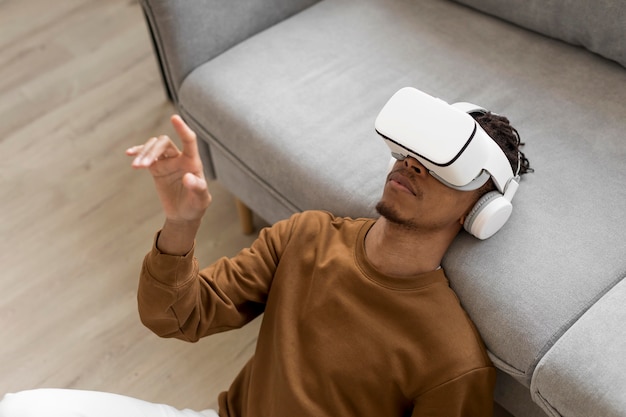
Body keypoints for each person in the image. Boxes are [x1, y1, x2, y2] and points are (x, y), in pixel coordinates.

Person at [0, 99, 532, 416]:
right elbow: (177, 315)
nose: (416, 165)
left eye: (446, 167)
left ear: (481, 211)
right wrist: (182, 224)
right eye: (417, 150)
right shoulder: (309, 236)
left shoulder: (452, 360)